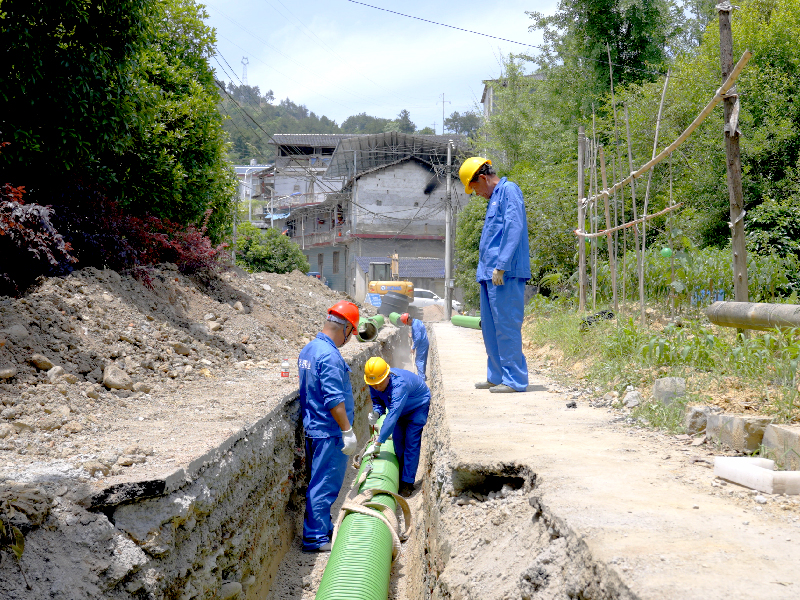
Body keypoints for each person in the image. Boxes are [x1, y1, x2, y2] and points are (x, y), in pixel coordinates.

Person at [458, 157, 531, 393]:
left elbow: (513, 227)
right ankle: (497, 375)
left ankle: (515, 379)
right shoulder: (494, 198)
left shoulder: (509, 190)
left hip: (504, 273)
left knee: (506, 325)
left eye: (475, 188)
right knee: (490, 329)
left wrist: (501, 265)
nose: (476, 194)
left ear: (482, 178)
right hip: (490, 274)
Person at [297, 300, 360, 553]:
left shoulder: (309, 350)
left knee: (318, 482)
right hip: (329, 431)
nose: (349, 339)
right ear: (345, 328)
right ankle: (315, 538)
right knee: (324, 485)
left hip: (314, 428)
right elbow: (334, 399)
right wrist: (347, 430)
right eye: (351, 334)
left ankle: (322, 527)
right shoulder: (330, 356)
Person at [363, 357, 431, 498]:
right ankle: (398, 475)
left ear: (387, 375)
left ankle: (407, 483)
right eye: (373, 385)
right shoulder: (374, 381)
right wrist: (376, 412)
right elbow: (378, 401)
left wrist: (378, 443)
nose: (377, 387)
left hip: (417, 406)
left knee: (411, 443)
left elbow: (393, 415)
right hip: (400, 409)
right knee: (398, 441)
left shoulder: (399, 385)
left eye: (379, 384)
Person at [399, 312, 429, 381]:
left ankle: (421, 379)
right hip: (424, 343)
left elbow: (418, 338)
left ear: (409, 320)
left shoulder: (414, 325)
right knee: (422, 360)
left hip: (421, 344)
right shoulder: (417, 321)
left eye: (406, 323)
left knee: (419, 361)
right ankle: (423, 376)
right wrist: (412, 334)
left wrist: (413, 348)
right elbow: (418, 332)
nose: (407, 325)